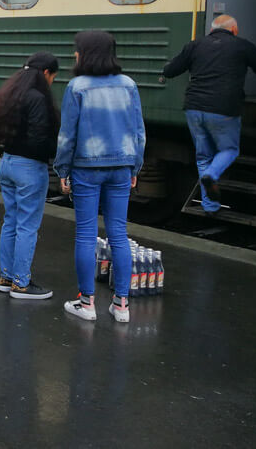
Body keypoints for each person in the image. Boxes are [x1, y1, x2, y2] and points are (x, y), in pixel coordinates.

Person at [55, 31, 145, 324]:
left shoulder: (77, 86)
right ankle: (121, 306)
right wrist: (135, 168)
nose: (74, 55)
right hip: (121, 166)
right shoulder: (128, 85)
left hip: (86, 168)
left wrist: (63, 170)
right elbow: (138, 132)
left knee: (85, 233)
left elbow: (67, 135)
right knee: (118, 234)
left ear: (87, 54)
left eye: (77, 50)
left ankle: (87, 303)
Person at [162, 14, 256, 213]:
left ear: (212, 29)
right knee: (229, 150)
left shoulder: (195, 45)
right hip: (224, 109)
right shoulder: (242, 45)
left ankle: (210, 205)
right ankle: (212, 176)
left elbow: (170, 71)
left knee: (203, 156)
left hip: (194, 108)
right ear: (234, 30)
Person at [0, 52, 60, 300]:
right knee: (27, 226)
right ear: (46, 73)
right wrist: (55, 151)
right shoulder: (38, 98)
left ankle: (6, 278)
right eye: (53, 78)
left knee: (12, 221)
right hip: (29, 169)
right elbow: (38, 139)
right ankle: (21, 284)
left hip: (7, 164)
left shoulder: (12, 94)